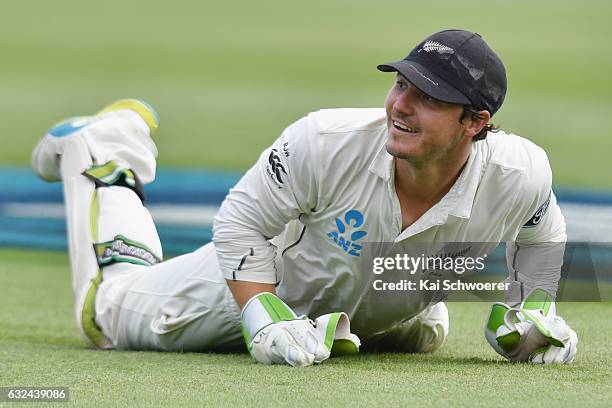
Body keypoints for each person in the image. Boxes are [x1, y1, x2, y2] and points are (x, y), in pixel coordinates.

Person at [31, 29, 577, 366]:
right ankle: (104, 147)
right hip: (265, 282)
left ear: (476, 123)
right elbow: (239, 225)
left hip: (382, 290)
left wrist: (532, 309)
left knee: (422, 332)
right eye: (401, 84)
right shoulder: (323, 141)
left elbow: (543, 235)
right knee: (103, 313)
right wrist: (265, 317)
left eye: (429, 97)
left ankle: (389, 311)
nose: (401, 105)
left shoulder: (521, 171)